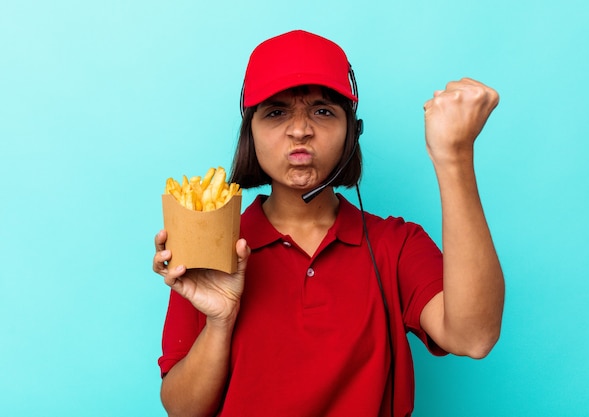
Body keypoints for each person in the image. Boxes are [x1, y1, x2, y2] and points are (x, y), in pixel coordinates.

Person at [152, 29, 504, 417]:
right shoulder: (211, 245)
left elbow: (474, 337)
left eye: (323, 111)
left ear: (352, 131)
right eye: (276, 111)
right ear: (249, 133)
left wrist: (453, 156)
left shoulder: (396, 244)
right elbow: (182, 411)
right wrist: (220, 322)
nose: (300, 129)